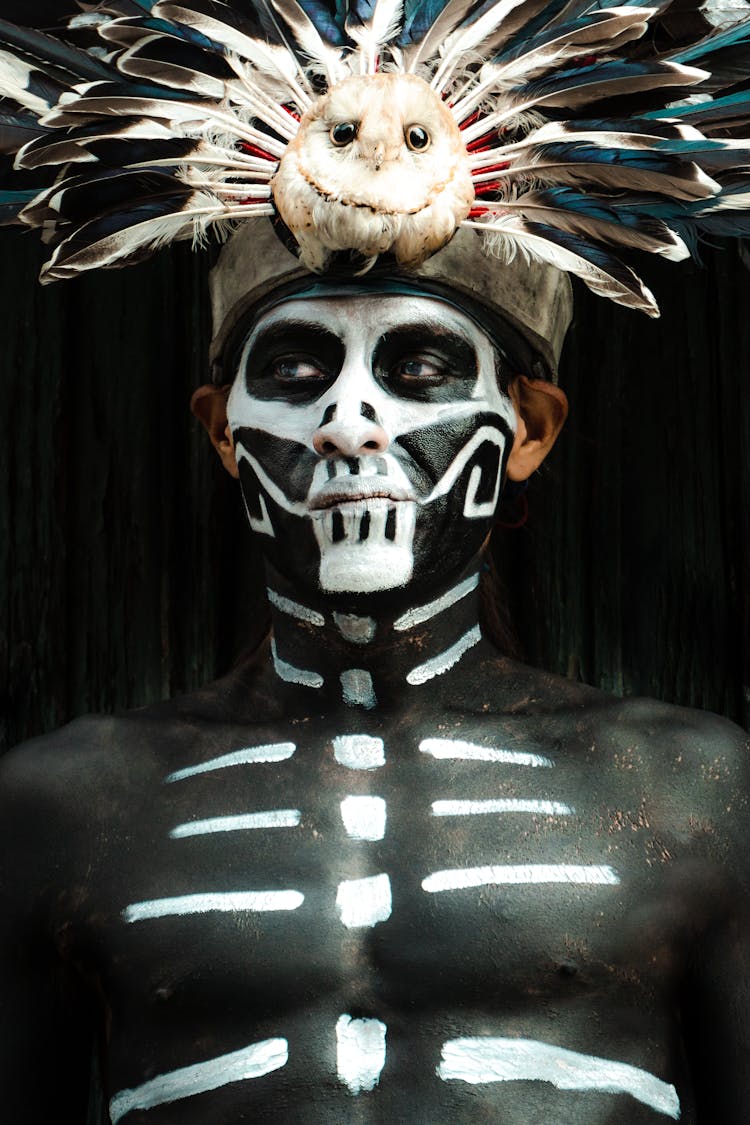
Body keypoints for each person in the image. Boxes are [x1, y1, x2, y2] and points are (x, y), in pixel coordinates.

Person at [0, 2, 749, 1122]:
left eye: (423, 367)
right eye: (296, 369)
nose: (353, 424)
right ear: (221, 429)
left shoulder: (697, 790)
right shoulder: (63, 804)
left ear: (529, 427)